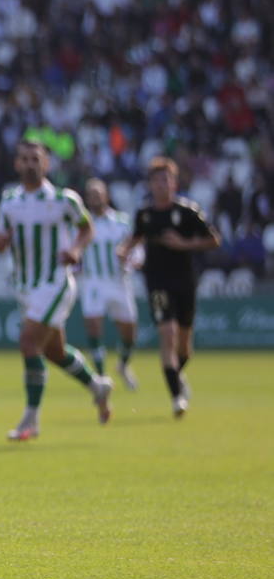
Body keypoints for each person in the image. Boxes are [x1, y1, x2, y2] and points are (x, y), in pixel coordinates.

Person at [0, 140, 112, 441]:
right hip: (25, 286)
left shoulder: (63, 199)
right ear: (17, 164)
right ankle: (98, 386)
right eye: (25, 159)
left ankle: (31, 419)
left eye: (36, 159)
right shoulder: (9, 201)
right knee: (54, 352)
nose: (30, 164)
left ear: (46, 165)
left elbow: (86, 228)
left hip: (55, 281)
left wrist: (75, 250)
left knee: (28, 343)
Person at [116, 156, 220, 417]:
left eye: (166, 179)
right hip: (157, 282)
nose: (162, 184)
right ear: (150, 184)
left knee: (184, 347)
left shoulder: (187, 211)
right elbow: (136, 237)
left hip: (185, 281)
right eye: (157, 180)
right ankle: (176, 399)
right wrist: (124, 250)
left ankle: (176, 375)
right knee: (168, 334)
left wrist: (184, 244)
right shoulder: (145, 214)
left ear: (174, 183)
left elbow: (214, 240)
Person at [78, 178, 139, 390]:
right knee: (94, 326)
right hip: (93, 281)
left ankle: (122, 365)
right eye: (91, 194)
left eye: (98, 193)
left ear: (106, 195)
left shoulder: (122, 221)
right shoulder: (83, 223)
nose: (94, 197)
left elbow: (137, 249)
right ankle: (101, 376)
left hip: (119, 281)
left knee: (129, 332)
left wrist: (132, 260)